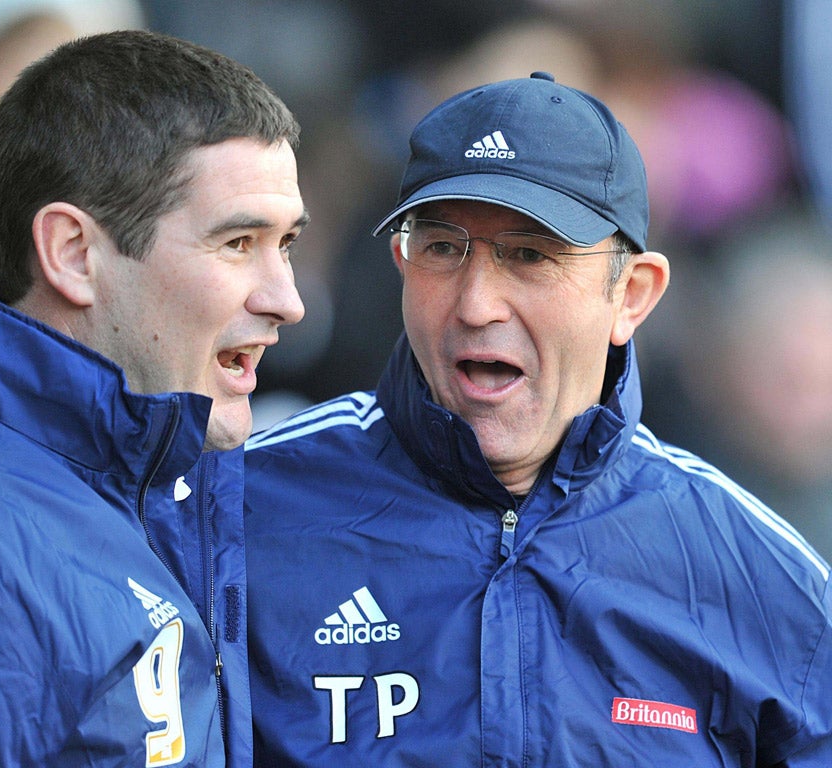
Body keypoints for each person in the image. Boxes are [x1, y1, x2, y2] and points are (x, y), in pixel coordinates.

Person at [242, 72, 832, 766]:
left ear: (632, 296)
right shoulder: (242, 512)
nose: (476, 304)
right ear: (401, 263)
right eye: (442, 248)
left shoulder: (758, 575)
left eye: (529, 255)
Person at [0, 29, 306, 767]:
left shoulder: (163, 475)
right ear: (73, 253)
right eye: (238, 243)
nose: (287, 300)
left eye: (287, 243)